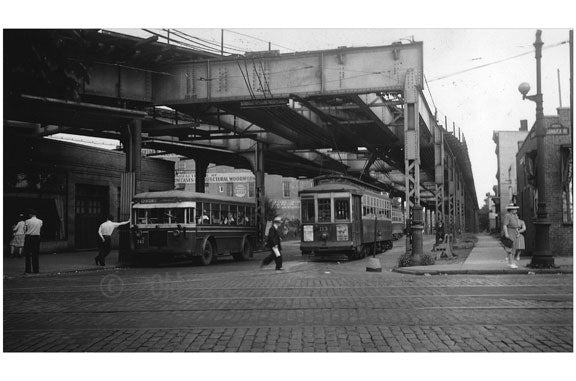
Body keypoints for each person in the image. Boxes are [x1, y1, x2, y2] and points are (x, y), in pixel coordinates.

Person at [23, 209, 43, 273]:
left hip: (29, 237)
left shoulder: (27, 221)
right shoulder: (40, 221)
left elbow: (24, 230)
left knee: (27, 254)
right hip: (37, 238)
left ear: (31, 214)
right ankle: (36, 270)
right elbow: (40, 228)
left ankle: (28, 270)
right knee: (35, 254)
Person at [502, 203, 520, 268]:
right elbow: (505, 225)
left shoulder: (515, 216)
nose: (516, 210)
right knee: (510, 247)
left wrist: (517, 232)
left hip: (514, 232)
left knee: (514, 247)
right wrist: (506, 233)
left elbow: (516, 225)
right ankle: (511, 262)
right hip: (510, 231)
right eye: (515, 209)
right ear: (511, 209)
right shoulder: (507, 215)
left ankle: (510, 262)